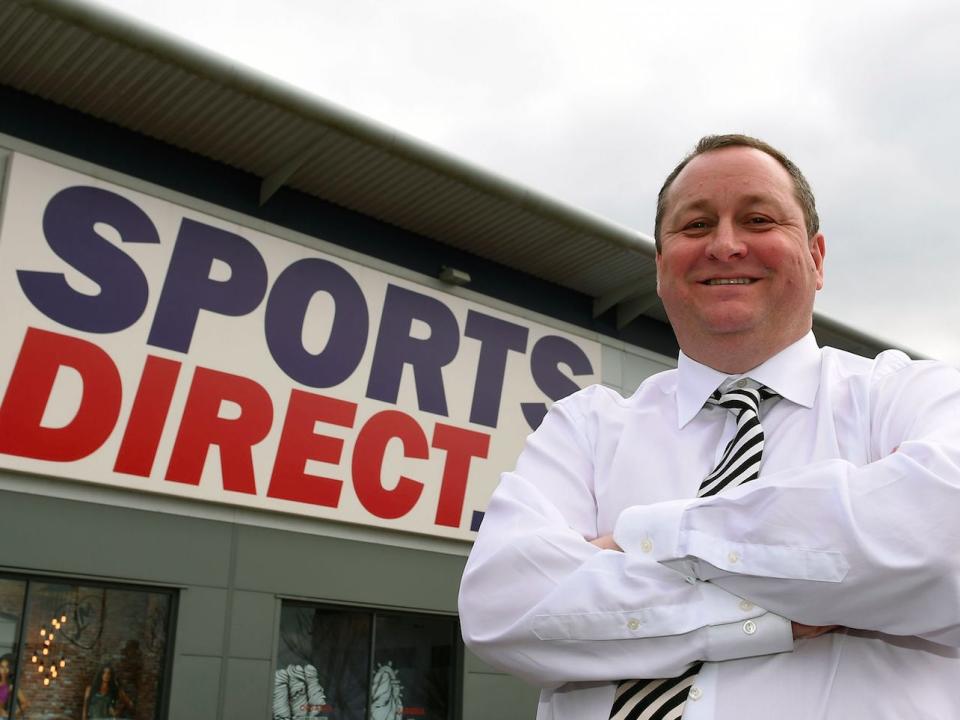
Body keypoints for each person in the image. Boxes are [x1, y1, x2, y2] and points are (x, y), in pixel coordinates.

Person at [458, 134, 960, 719]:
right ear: (660, 266)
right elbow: (503, 605)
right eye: (695, 226)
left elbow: (943, 538)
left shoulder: (908, 394)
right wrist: (779, 611)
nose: (724, 245)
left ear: (817, 257)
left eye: (758, 219)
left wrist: (654, 540)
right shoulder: (586, 428)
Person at [0, 654, 29, 719]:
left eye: (7, 667)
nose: (4, 670)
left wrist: (12, 715)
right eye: (1, 667)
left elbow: (25, 703)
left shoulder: (10, 686)